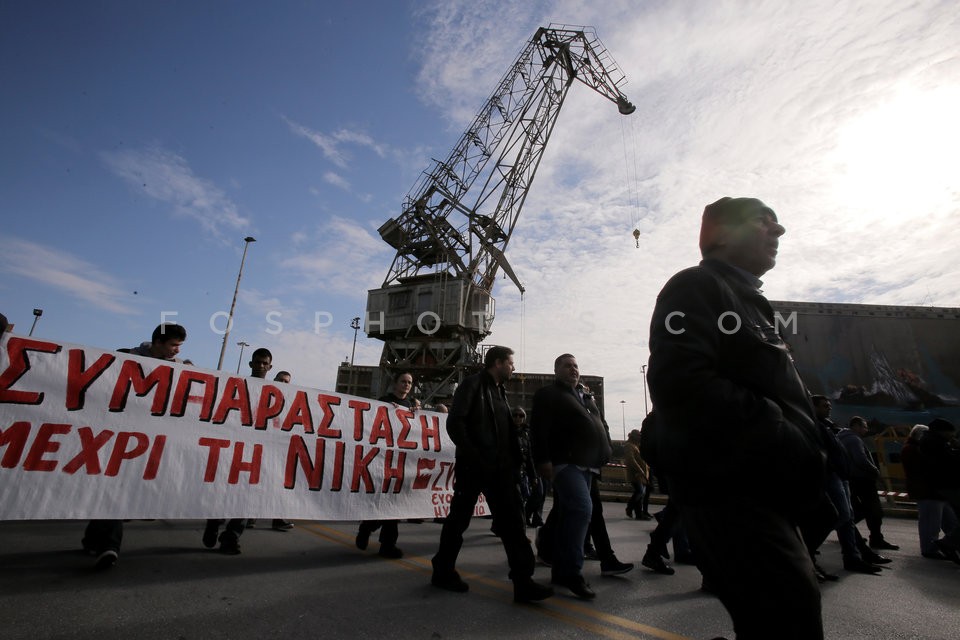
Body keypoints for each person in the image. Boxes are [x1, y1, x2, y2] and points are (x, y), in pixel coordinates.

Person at [647, 197, 828, 639]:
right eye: (764, 222)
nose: (778, 230)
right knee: (789, 618)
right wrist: (784, 435)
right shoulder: (696, 286)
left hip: (763, 488)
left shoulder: (750, 301)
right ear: (722, 235)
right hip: (733, 492)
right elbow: (682, 384)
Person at [430, 346, 553, 604]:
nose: (513, 368)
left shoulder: (500, 391)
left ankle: (523, 582)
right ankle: (442, 570)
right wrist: (477, 457)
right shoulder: (473, 385)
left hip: (501, 472)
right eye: (510, 363)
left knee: (514, 525)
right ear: (497, 363)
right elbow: (455, 423)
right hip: (475, 468)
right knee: (458, 521)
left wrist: (517, 463)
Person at [82, 322, 187, 569]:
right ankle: (109, 545)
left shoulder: (180, 370)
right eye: (174, 345)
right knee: (114, 488)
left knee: (118, 489)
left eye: (180, 347)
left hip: (147, 441)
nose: (177, 351)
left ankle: (92, 538)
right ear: (158, 343)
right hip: (116, 436)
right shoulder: (125, 358)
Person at [530, 354, 612, 600]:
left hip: (588, 465)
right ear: (556, 370)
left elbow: (599, 424)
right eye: (567, 366)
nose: (573, 370)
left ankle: (560, 569)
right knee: (582, 510)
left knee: (569, 517)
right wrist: (542, 460)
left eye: (576, 366)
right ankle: (573, 572)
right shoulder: (548, 394)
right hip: (565, 463)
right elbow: (539, 429)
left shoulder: (586, 397)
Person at [356, 372, 415, 559]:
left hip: (402, 460)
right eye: (403, 381)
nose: (406, 385)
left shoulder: (411, 405)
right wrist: (388, 410)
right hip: (383, 459)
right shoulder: (384, 401)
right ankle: (368, 527)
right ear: (395, 383)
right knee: (384, 502)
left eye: (409, 382)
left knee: (394, 504)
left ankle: (387, 544)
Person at [838, 416, 897, 550]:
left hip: (850, 478)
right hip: (863, 479)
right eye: (864, 426)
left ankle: (851, 533)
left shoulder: (841, 437)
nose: (866, 429)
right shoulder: (854, 439)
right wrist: (875, 471)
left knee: (856, 510)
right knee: (874, 511)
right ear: (856, 426)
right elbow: (861, 459)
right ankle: (875, 539)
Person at [901, 424, 959, 559]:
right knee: (931, 523)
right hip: (928, 492)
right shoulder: (914, 450)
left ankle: (948, 544)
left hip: (935, 492)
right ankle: (929, 549)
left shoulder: (914, 449)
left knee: (948, 522)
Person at [919, 418, 960, 563]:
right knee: (936, 522)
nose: (952, 436)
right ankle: (947, 543)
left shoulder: (931, 441)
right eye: (950, 433)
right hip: (945, 486)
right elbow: (949, 462)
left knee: (952, 521)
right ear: (943, 431)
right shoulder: (935, 443)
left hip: (941, 487)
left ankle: (949, 543)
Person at [624, 429, 651, 520]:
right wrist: (640, 470)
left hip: (641, 474)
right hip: (636, 474)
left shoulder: (635, 446)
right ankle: (630, 507)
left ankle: (638, 513)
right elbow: (631, 460)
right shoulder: (629, 446)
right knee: (640, 492)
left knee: (641, 493)